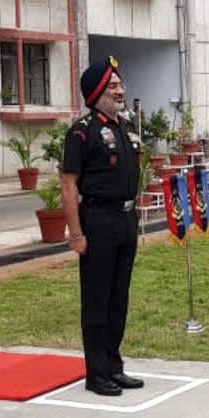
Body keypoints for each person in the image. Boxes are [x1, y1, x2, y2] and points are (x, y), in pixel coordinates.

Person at [61, 56, 145, 397]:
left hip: (125, 219)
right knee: (96, 300)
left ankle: (114, 365)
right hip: (97, 220)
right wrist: (76, 233)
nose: (120, 91)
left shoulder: (124, 128)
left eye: (120, 84)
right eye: (112, 86)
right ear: (96, 91)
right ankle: (96, 374)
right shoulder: (82, 131)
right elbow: (68, 184)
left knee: (118, 299)